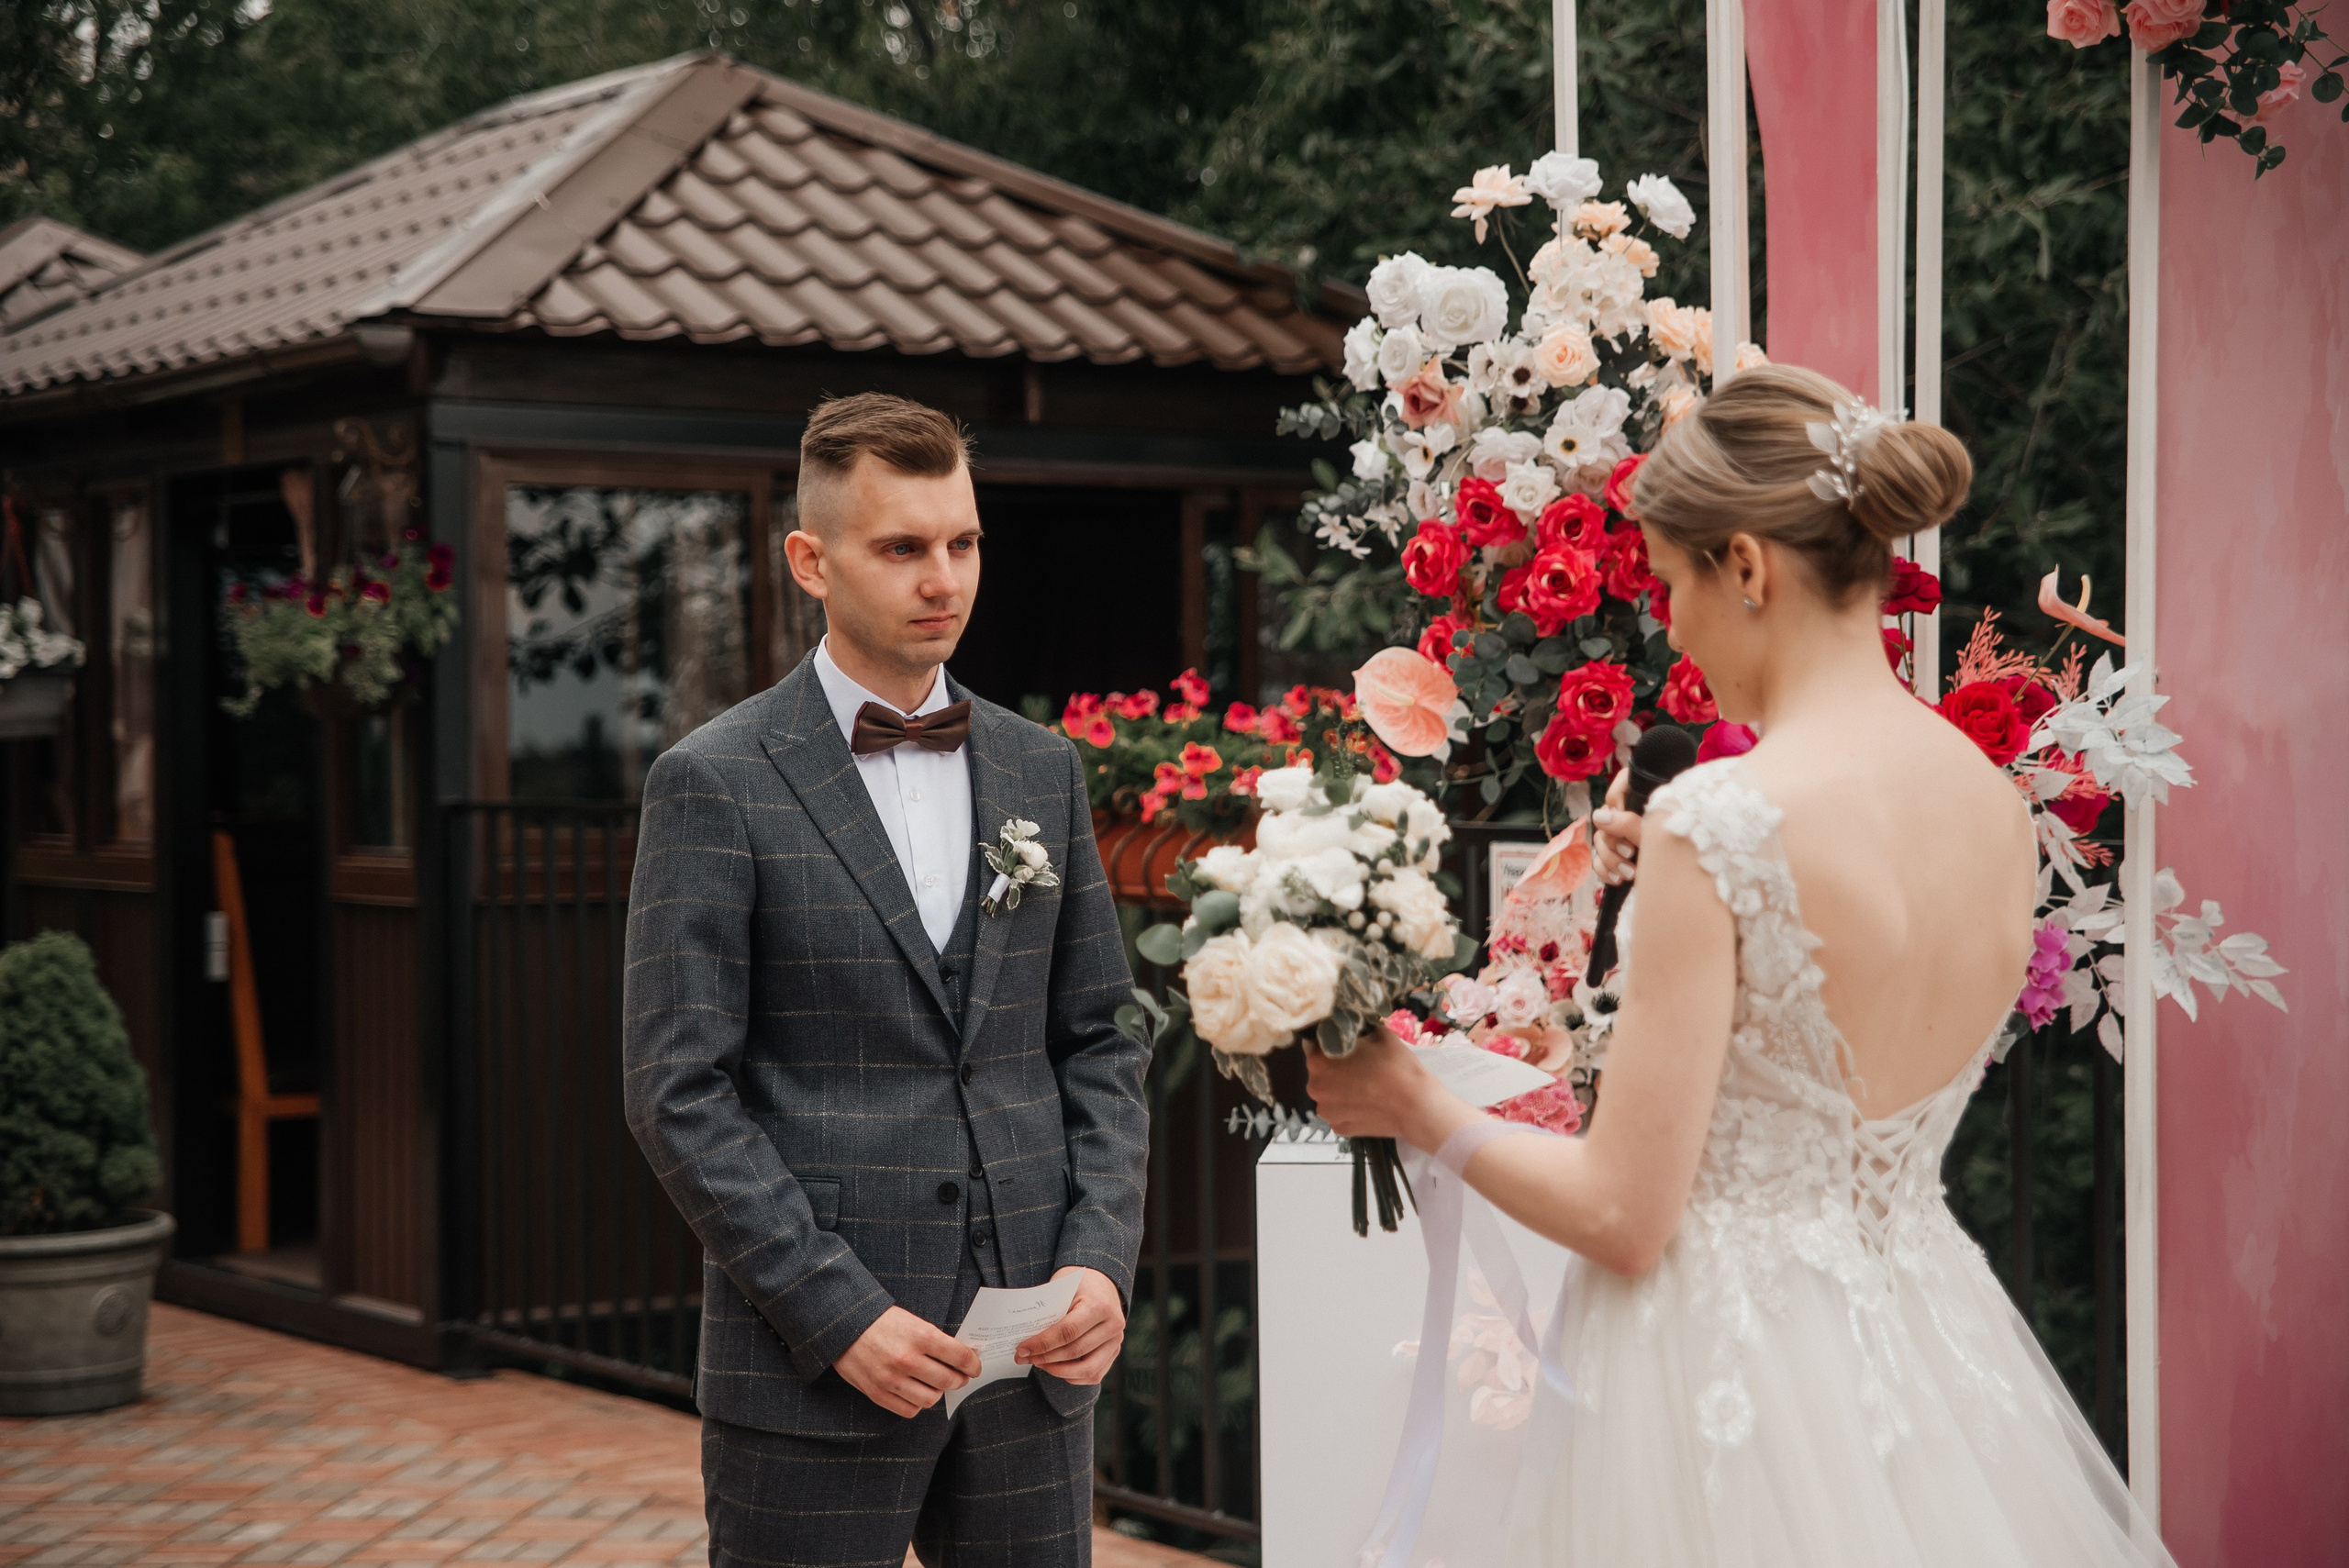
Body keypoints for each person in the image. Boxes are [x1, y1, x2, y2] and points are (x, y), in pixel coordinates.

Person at [1307, 365, 2176, 1565]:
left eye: (1673, 581)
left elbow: (1621, 1213)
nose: (1670, 623)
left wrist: (1412, 1101)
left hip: (1724, 1376)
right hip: (1924, 1355)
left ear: (1749, 568)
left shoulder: (1721, 818)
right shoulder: (1992, 805)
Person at [622, 393, 1149, 1568]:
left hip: (1030, 1361)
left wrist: (1099, 1256)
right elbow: (677, 1089)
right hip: (813, 1366)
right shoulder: (713, 780)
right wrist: (836, 1311)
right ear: (811, 561)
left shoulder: (1041, 768)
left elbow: (1103, 1036)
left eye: (963, 542)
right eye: (903, 546)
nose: (943, 577)